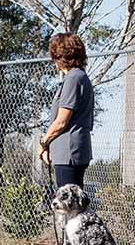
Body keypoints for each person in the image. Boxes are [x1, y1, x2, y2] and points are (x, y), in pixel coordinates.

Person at [38, 33, 94, 189]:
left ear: (61, 56)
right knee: (72, 200)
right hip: (66, 152)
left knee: (68, 201)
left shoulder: (73, 78)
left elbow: (62, 121)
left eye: (55, 55)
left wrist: (43, 143)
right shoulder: (77, 77)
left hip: (68, 153)